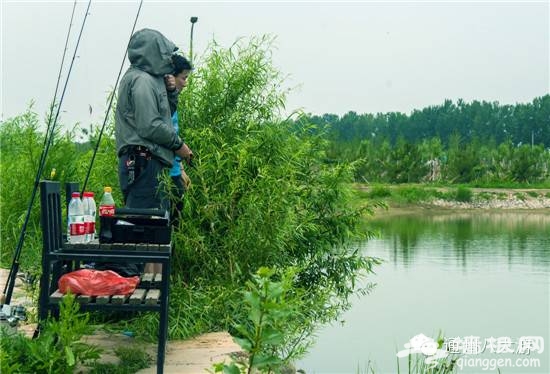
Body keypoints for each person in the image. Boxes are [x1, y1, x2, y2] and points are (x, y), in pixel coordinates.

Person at [113, 28, 192, 276]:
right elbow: (151, 125)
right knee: (143, 229)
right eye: (166, 54)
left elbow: (165, 114)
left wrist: (171, 92)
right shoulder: (142, 80)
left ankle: (152, 287)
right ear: (153, 53)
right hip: (142, 162)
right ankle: (137, 289)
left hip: (149, 164)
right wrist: (179, 145)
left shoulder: (151, 80)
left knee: (154, 229)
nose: (169, 59)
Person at [168, 54, 193, 227]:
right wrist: (185, 151)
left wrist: (181, 168)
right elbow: (166, 136)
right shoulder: (163, 102)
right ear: (172, 77)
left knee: (178, 225)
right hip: (166, 175)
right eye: (183, 78)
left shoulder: (172, 102)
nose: (185, 83)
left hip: (175, 171)